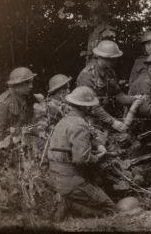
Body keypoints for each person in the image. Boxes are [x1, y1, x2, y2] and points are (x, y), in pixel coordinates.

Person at [48, 86, 116, 218]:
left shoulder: (64, 120)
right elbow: (81, 159)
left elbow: (81, 141)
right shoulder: (80, 124)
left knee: (97, 189)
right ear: (87, 108)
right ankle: (71, 205)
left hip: (56, 176)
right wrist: (98, 157)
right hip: (70, 181)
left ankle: (70, 203)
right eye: (91, 106)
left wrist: (97, 145)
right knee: (110, 208)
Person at [77, 40, 137, 132]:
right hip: (88, 120)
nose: (115, 61)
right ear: (104, 57)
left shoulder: (110, 72)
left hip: (105, 118)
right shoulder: (87, 75)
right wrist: (113, 122)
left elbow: (117, 94)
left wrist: (133, 99)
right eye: (113, 58)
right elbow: (92, 106)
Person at [0, 67, 37, 148]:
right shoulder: (1, 104)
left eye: (31, 83)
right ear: (17, 85)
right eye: (27, 83)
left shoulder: (22, 98)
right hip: (3, 151)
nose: (31, 86)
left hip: (16, 147)